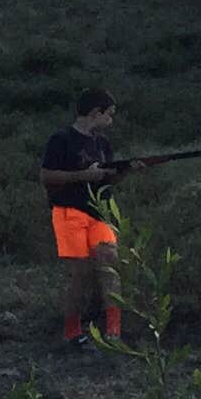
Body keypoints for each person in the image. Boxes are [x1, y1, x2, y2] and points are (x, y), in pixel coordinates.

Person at [39, 87, 128, 348]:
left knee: (110, 266)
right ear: (95, 112)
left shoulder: (103, 144)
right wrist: (81, 176)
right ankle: (72, 331)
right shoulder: (61, 140)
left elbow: (109, 178)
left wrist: (126, 172)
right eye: (109, 114)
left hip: (100, 211)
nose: (111, 121)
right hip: (68, 212)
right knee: (80, 272)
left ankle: (114, 331)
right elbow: (46, 176)